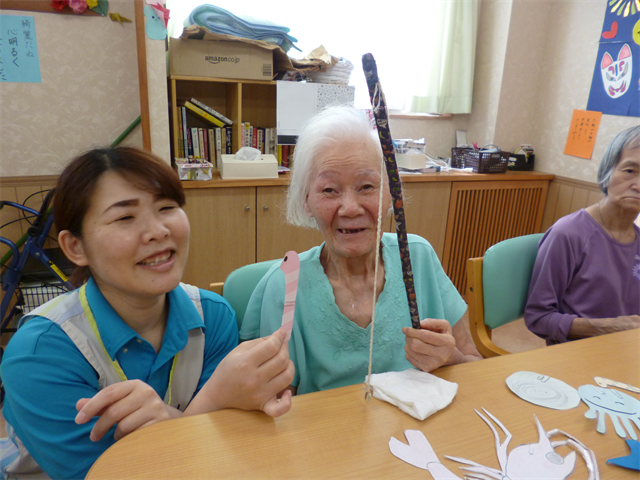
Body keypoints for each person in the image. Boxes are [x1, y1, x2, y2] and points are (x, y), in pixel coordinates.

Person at [0, 147, 294, 480]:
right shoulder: (39, 353)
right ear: (75, 248)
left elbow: (225, 450)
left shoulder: (213, 316)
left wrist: (174, 419)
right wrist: (214, 398)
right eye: (125, 217)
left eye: (167, 207)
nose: (158, 231)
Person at [239, 106, 481, 395]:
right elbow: (275, 407)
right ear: (306, 201)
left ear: (391, 194)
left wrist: (448, 358)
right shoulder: (286, 285)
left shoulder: (418, 259)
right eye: (329, 190)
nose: (350, 208)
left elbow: (475, 365)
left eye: (366, 186)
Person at [525, 125, 640, 345]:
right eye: (630, 171)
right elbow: (538, 317)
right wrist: (609, 328)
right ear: (608, 171)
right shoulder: (568, 234)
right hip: (577, 356)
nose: (638, 185)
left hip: (626, 351)